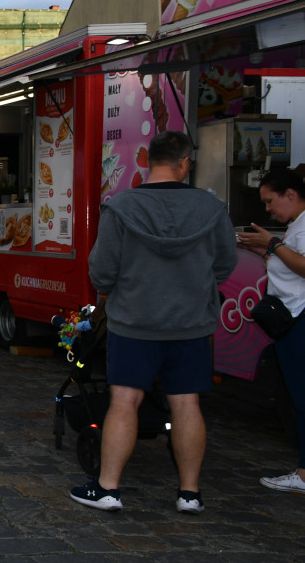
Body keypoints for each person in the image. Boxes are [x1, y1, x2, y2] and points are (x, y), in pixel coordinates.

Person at [69, 130, 236, 514]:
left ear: (148, 161)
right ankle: (189, 494)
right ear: (184, 163)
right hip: (191, 324)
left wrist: (116, 290)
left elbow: (102, 270)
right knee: (186, 403)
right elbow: (225, 264)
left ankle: (108, 489)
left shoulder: (122, 206)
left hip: (134, 322)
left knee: (125, 401)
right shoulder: (212, 209)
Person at [236, 168, 305, 494]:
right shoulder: (297, 225)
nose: (268, 209)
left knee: (301, 396)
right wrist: (261, 250)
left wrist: (272, 243)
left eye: (270, 201)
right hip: (293, 318)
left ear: (290, 194)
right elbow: (291, 263)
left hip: (299, 319)